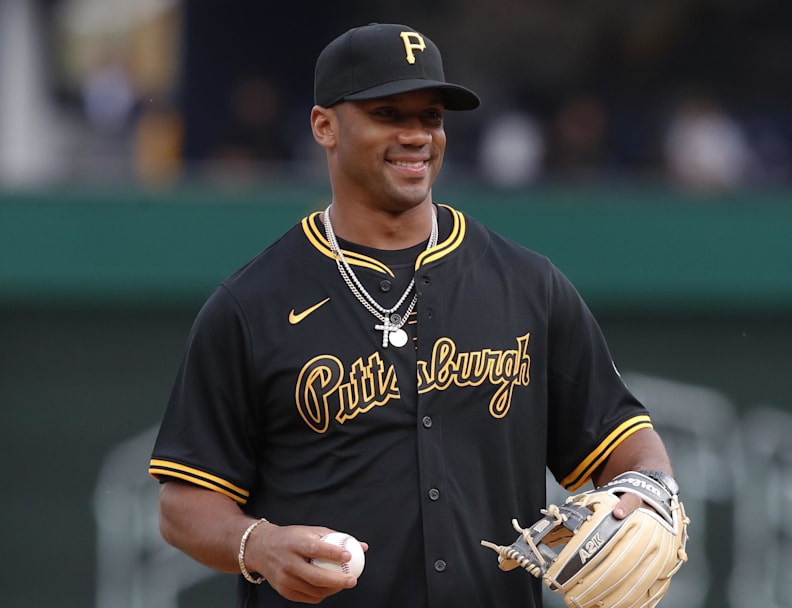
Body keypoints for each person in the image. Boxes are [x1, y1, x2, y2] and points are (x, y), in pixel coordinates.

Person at [148, 23, 679, 608]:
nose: (416, 136)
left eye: (430, 116)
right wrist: (258, 543)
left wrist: (648, 490)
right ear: (324, 125)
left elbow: (625, 443)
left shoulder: (529, 286)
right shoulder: (251, 305)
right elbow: (184, 504)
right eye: (389, 114)